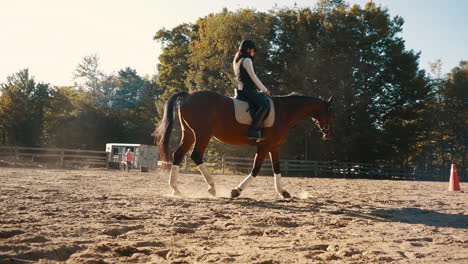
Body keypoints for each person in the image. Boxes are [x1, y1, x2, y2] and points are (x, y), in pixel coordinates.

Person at [233, 40, 271, 140]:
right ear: (249, 50)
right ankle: (253, 130)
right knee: (265, 105)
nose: (254, 53)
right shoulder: (247, 60)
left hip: (240, 90)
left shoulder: (237, 61)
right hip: (248, 90)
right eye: (253, 51)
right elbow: (253, 77)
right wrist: (265, 90)